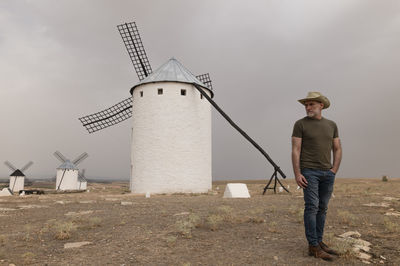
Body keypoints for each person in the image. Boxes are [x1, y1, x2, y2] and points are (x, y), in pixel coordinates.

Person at [291, 92, 342, 261]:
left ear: (321, 105)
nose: (308, 107)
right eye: (306, 105)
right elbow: (296, 150)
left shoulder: (332, 125)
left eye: (311, 104)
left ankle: (319, 242)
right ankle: (313, 246)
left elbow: (337, 148)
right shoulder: (300, 124)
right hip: (309, 172)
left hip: (327, 172)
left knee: (322, 208)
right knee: (312, 206)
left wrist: (334, 169)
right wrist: (297, 173)